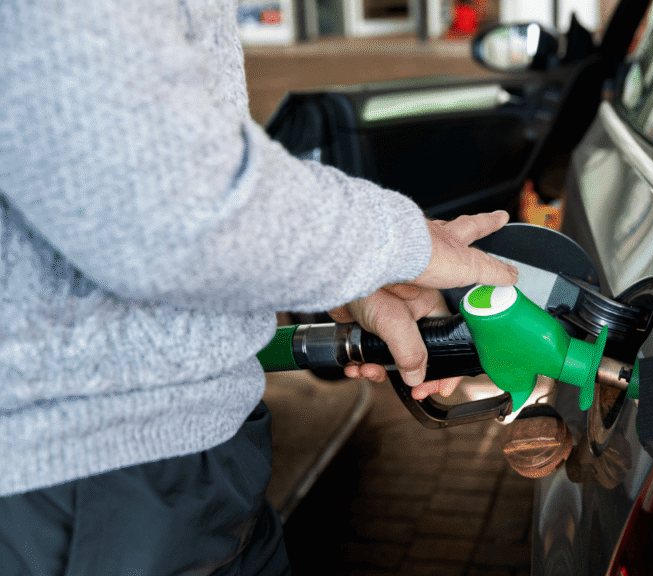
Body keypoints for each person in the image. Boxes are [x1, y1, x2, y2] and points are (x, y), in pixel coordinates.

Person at [0, 1, 517, 573]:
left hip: (189, 456)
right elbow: (163, 201)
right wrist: (400, 244)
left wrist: (343, 277)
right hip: (80, 479)